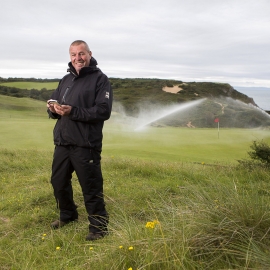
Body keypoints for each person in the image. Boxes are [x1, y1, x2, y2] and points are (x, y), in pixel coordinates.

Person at [47, 40, 113, 241]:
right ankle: (68, 215)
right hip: (63, 142)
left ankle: (98, 228)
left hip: (86, 144)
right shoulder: (65, 80)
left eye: (82, 54)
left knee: (91, 186)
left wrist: (73, 111)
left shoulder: (100, 80)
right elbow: (57, 104)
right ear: (70, 57)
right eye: (74, 55)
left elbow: (103, 110)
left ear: (90, 54)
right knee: (58, 182)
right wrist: (53, 110)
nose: (78, 58)